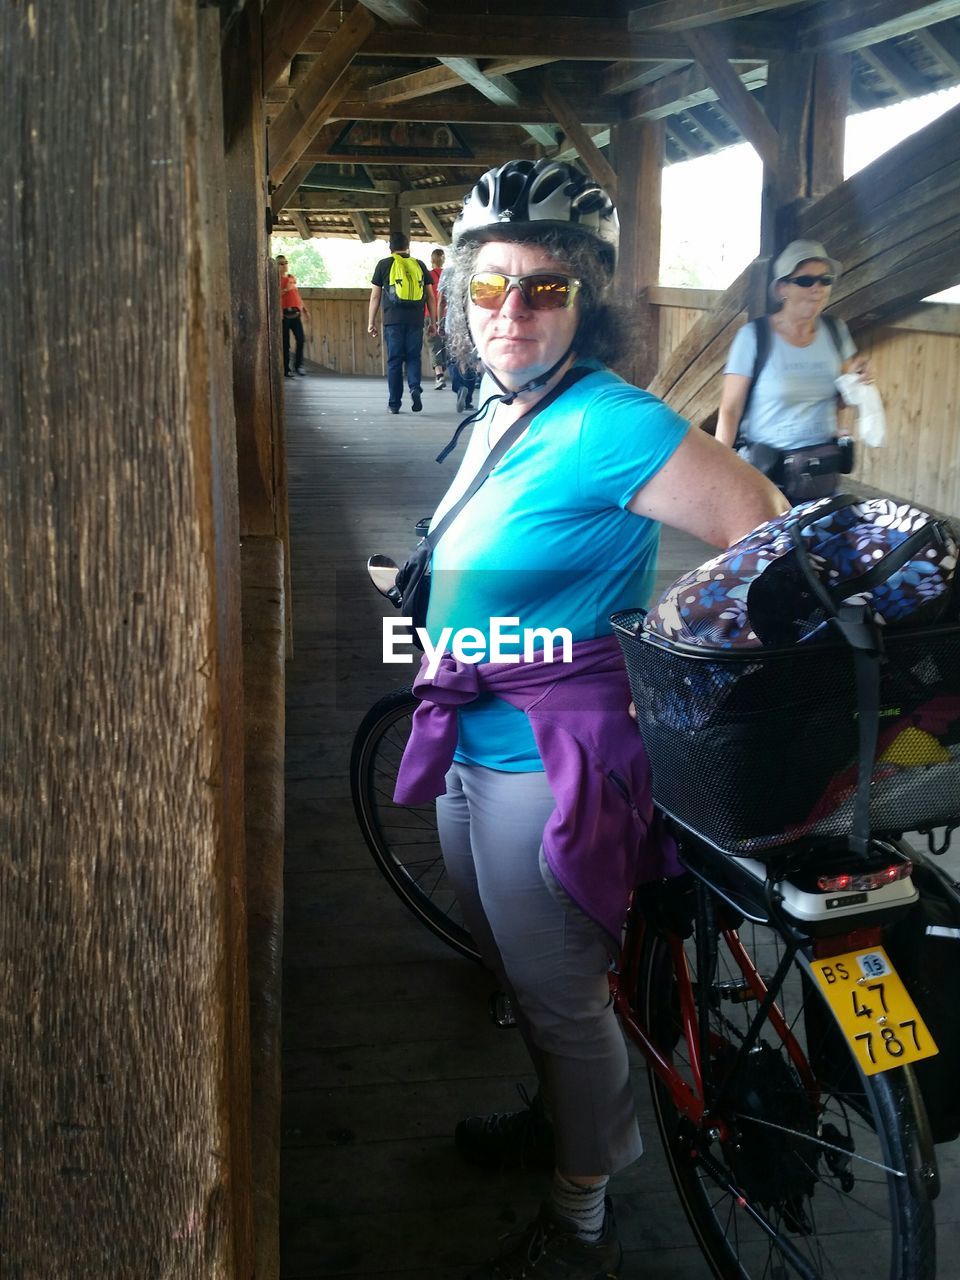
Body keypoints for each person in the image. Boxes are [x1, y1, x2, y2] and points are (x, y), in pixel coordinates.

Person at [390, 159, 787, 1279]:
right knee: (513, 956)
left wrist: (658, 636)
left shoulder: (613, 421)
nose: (513, 311)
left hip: (547, 758)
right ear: (462, 298)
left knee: (561, 994)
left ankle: (581, 1203)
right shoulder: (508, 402)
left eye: (546, 289)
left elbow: (762, 523)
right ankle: (561, 1113)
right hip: (472, 730)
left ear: (589, 301)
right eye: (490, 287)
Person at [717, 239, 873, 502]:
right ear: (782, 288)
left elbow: (842, 399)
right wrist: (719, 472)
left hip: (822, 472)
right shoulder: (754, 337)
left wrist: (858, 383)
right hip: (767, 476)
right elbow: (730, 409)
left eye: (825, 280)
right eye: (805, 281)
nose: (817, 288)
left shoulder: (836, 332)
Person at [368, 231, 438, 414]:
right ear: (408, 247)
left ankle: (394, 403)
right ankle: (414, 387)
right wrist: (433, 321)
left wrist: (371, 322)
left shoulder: (384, 265)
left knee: (394, 361)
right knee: (413, 357)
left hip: (392, 321)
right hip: (415, 320)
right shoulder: (419, 265)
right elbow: (431, 297)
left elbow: (375, 296)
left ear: (390, 247)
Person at [276, 255, 308, 377]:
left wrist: (304, 309)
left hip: (296, 313)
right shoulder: (276, 280)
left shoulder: (291, 278)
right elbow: (274, 295)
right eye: (281, 264)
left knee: (300, 339)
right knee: (285, 343)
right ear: (277, 266)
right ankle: (286, 369)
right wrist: (285, 289)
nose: (285, 266)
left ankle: (298, 366)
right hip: (284, 315)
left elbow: (296, 294)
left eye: (286, 263)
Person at [427, 247, 447, 389]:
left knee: (433, 344)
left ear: (431, 260)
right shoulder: (448, 274)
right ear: (443, 259)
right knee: (445, 344)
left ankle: (439, 375)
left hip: (429, 314)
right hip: (447, 314)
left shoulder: (427, 275)